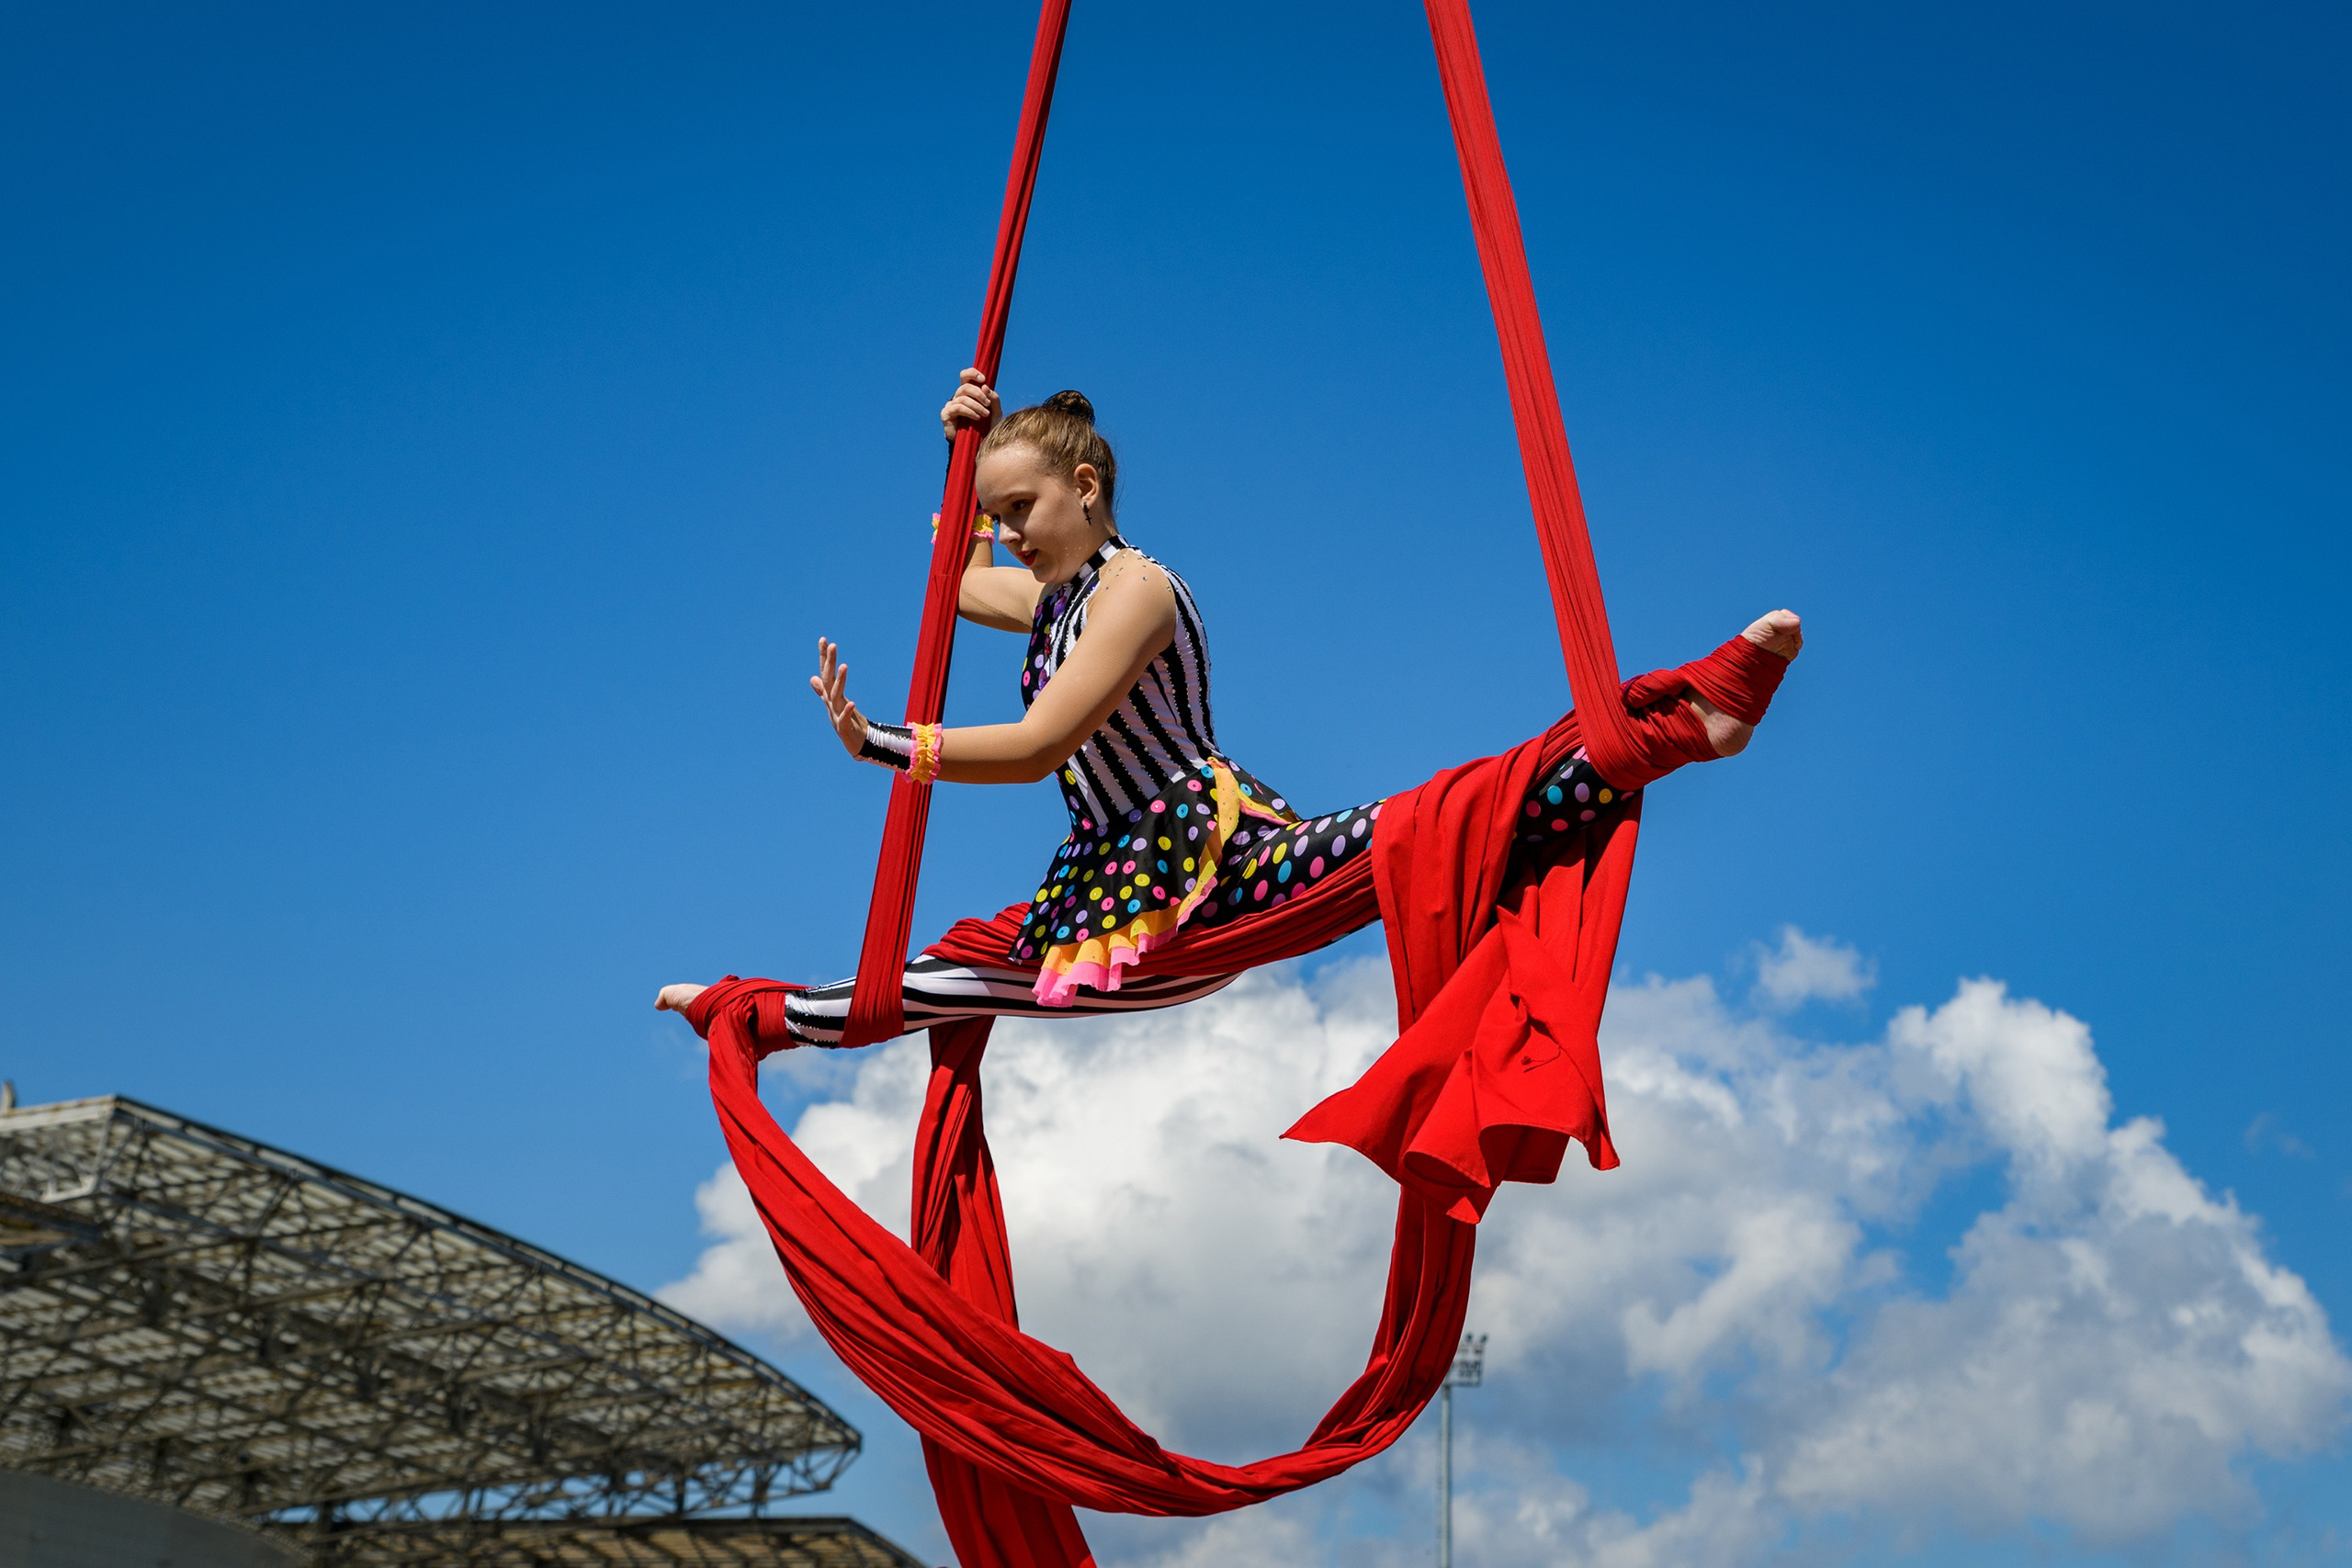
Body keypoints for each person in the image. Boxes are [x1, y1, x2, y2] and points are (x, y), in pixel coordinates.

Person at [656, 370, 1802, 1043]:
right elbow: (948, 574)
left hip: (1213, 871)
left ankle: (1676, 725)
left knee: (1427, 827)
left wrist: (882, 744)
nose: (1007, 532)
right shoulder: (1048, 588)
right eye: (998, 512)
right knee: (925, 983)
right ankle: (746, 1016)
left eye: (1021, 507)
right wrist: (954, 450)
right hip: (1101, 900)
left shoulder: (1134, 591)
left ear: (1087, 488)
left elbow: (1040, 744)